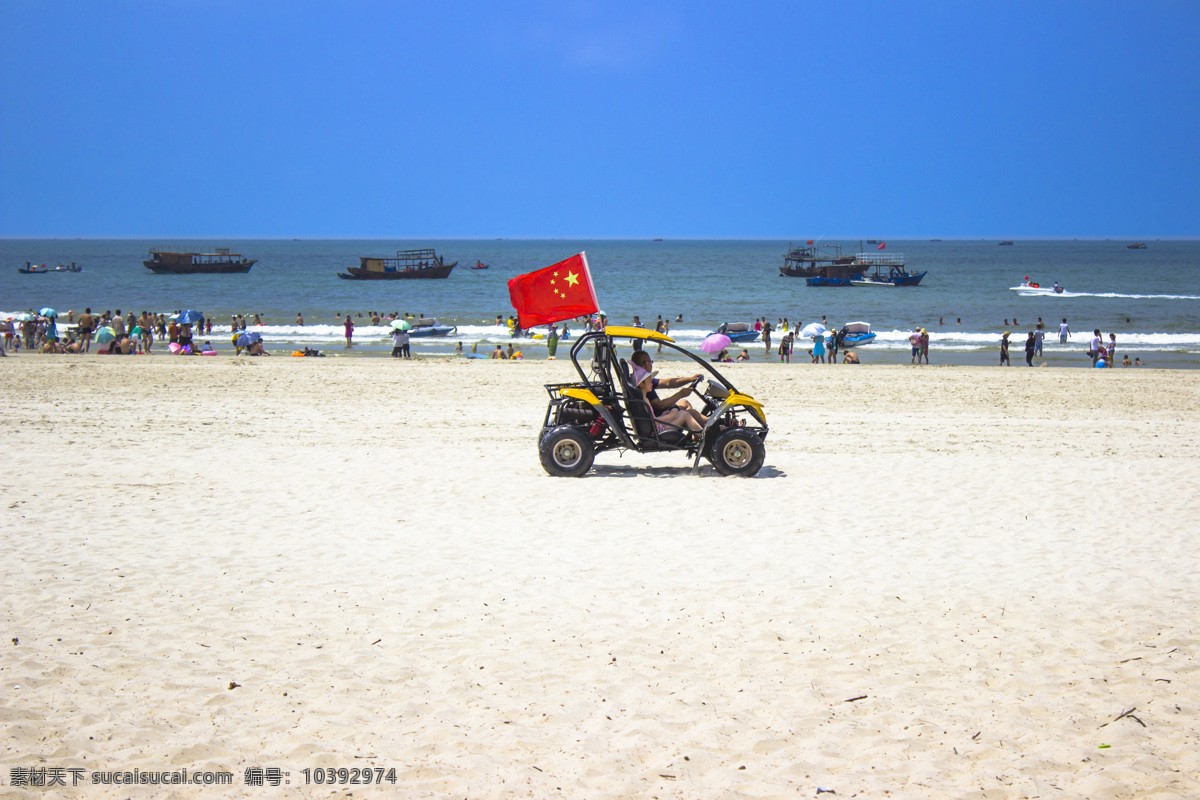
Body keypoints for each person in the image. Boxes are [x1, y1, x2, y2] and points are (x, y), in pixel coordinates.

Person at [630, 351, 708, 427]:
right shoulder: (643, 385)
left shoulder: (641, 380)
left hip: (660, 415)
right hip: (660, 417)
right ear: (646, 363)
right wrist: (680, 394)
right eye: (651, 362)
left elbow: (668, 382)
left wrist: (690, 379)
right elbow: (660, 405)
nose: (651, 364)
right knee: (691, 412)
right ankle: (714, 426)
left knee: (685, 403)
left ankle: (693, 431)